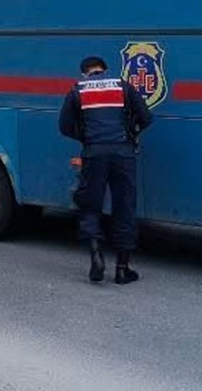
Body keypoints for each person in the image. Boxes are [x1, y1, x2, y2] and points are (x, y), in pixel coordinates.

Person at [59, 55, 153, 285]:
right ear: (104, 70)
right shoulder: (123, 86)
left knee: (90, 204)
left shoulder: (78, 90)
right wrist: (131, 134)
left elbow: (64, 126)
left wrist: (85, 137)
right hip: (123, 153)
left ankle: (96, 256)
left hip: (93, 153)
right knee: (124, 206)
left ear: (85, 72)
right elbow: (146, 117)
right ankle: (122, 269)